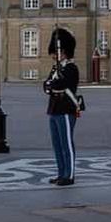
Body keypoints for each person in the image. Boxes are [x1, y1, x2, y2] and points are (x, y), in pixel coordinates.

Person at [43, 28, 80, 186]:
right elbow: (46, 86)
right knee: (57, 144)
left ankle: (69, 175)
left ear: (64, 52)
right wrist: (51, 85)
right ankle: (61, 173)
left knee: (66, 144)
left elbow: (62, 85)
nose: (54, 55)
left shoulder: (71, 68)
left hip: (66, 109)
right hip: (54, 108)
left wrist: (52, 84)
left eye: (57, 52)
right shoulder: (56, 69)